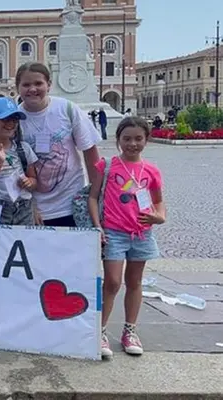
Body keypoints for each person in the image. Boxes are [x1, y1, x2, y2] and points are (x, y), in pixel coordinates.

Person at [88, 117, 165, 359]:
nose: (132, 144)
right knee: (111, 281)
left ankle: (130, 330)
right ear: (118, 140)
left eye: (138, 139)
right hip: (113, 232)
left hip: (141, 233)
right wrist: (97, 226)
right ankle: (99, 331)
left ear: (147, 140)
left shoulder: (151, 170)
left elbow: (158, 201)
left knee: (135, 281)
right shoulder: (108, 165)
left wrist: (159, 217)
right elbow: (92, 197)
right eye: (127, 139)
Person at [16, 62, 101, 227]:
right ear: (18, 87)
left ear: (48, 84)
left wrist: (95, 195)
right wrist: (29, 205)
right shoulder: (14, 118)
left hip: (71, 202)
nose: (32, 89)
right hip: (35, 208)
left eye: (38, 83)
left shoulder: (67, 109)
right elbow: (14, 167)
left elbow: (90, 153)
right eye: (26, 84)